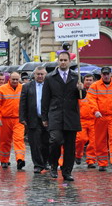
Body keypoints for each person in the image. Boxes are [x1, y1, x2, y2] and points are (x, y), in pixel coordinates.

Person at [42, 51, 85, 181]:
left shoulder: (76, 77)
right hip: (55, 114)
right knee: (55, 140)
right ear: (58, 61)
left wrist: (81, 89)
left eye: (65, 60)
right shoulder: (50, 77)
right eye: (61, 60)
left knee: (70, 146)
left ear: (69, 61)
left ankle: (67, 171)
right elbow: (45, 99)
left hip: (71, 115)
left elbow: (81, 97)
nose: (63, 62)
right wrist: (44, 117)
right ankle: (54, 165)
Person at [0, 72, 26, 169]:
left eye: (17, 79)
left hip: (18, 119)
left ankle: (20, 159)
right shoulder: (2, 89)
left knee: (19, 139)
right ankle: (4, 160)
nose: (15, 81)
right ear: (9, 79)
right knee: (4, 141)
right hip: (5, 119)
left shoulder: (23, 88)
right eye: (13, 79)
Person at [19, 66, 49, 173]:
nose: (40, 76)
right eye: (38, 74)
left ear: (45, 75)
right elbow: (22, 103)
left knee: (46, 143)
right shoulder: (27, 87)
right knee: (35, 143)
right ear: (34, 75)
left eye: (42, 74)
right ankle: (37, 164)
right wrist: (22, 117)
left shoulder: (50, 86)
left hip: (48, 119)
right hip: (33, 118)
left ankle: (45, 162)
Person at [87, 66, 112, 171]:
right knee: (100, 141)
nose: (106, 76)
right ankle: (102, 163)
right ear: (101, 75)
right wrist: (96, 111)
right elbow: (91, 99)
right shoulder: (95, 86)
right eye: (104, 74)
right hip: (100, 117)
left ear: (110, 74)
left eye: (107, 74)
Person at [75, 74, 96, 168]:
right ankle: (78, 155)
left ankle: (91, 160)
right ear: (83, 81)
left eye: (90, 80)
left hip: (94, 121)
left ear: (93, 81)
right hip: (81, 120)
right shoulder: (80, 92)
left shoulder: (95, 92)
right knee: (80, 139)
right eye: (87, 80)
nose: (88, 82)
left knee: (93, 142)